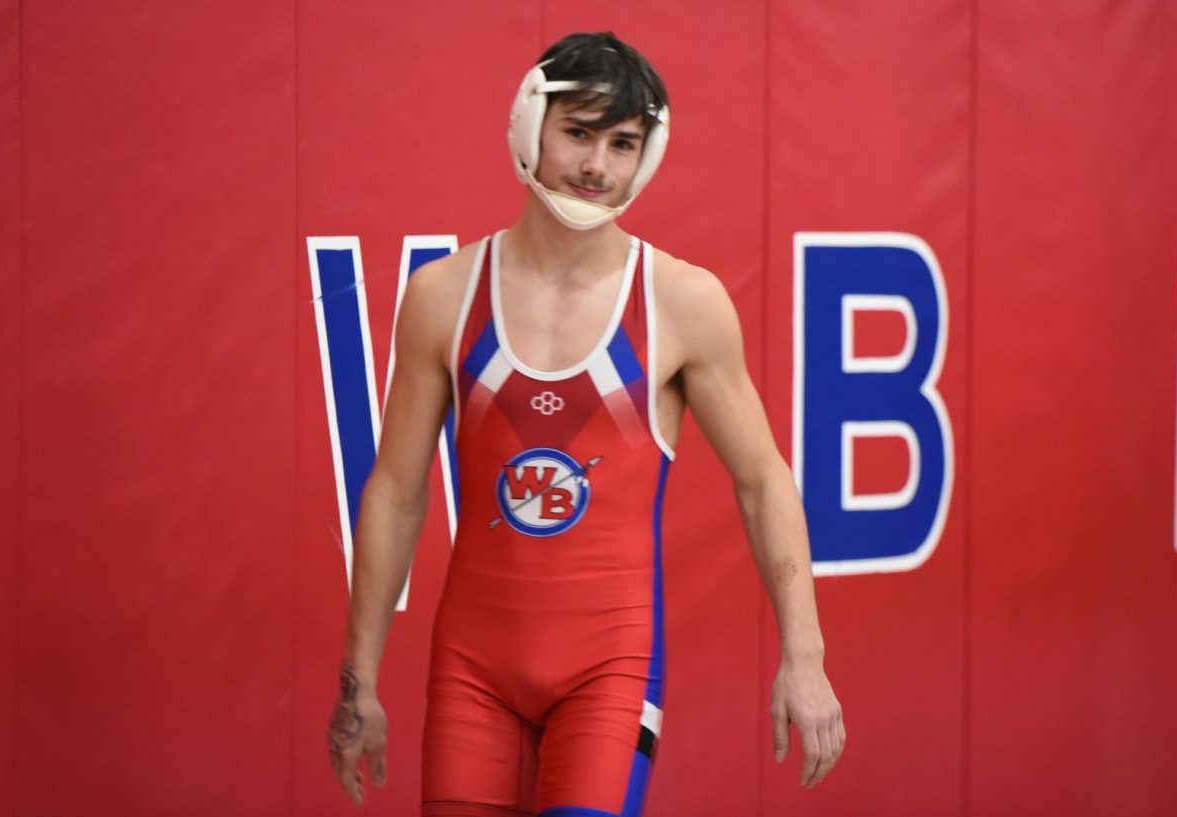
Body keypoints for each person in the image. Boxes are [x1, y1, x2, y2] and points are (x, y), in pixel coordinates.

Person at [327, 31, 845, 816]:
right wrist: (358, 679)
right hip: (472, 673)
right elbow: (397, 492)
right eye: (578, 133)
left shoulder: (682, 301)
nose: (598, 166)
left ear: (649, 155)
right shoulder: (442, 296)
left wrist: (803, 656)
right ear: (528, 125)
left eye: (623, 143)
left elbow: (763, 477)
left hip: (611, 672)